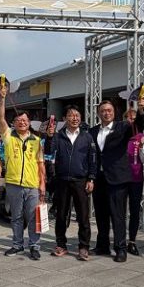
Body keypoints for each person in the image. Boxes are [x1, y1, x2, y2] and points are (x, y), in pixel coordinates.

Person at [89, 97, 144, 263]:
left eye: (109, 110)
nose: (106, 113)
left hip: (118, 179)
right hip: (99, 179)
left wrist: (141, 110)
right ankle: (102, 245)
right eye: (103, 111)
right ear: (98, 113)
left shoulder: (123, 127)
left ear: (114, 113)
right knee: (100, 214)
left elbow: (138, 126)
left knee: (118, 215)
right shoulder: (93, 131)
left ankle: (121, 248)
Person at [0, 86, 46, 260]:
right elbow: (0, 118)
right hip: (13, 185)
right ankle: (17, 245)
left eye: (24, 120)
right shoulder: (9, 136)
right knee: (16, 216)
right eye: (18, 121)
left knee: (33, 217)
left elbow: (41, 164)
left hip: (32, 184)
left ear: (29, 122)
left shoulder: (37, 141)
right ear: (14, 124)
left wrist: (42, 185)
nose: (22, 123)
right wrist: (2, 98)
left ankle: (34, 245)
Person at [44, 106, 96, 261]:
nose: (74, 118)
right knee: (61, 215)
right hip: (62, 181)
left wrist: (91, 178)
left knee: (83, 216)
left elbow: (92, 159)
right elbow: (48, 151)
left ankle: (83, 247)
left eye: (77, 115)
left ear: (80, 119)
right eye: (71, 115)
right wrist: (49, 137)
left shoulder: (87, 137)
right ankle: (61, 244)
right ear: (65, 119)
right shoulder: (58, 136)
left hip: (81, 181)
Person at [123, 108, 144, 255]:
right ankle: (119, 238)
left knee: (134, 210)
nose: (131, 121)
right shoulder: (119, 136)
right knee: (118, 210)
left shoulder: (142, 137)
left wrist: (143, 147)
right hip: (120, 178)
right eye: (128, 118)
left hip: (136, 178)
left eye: (133, 119)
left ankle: (132, 241)